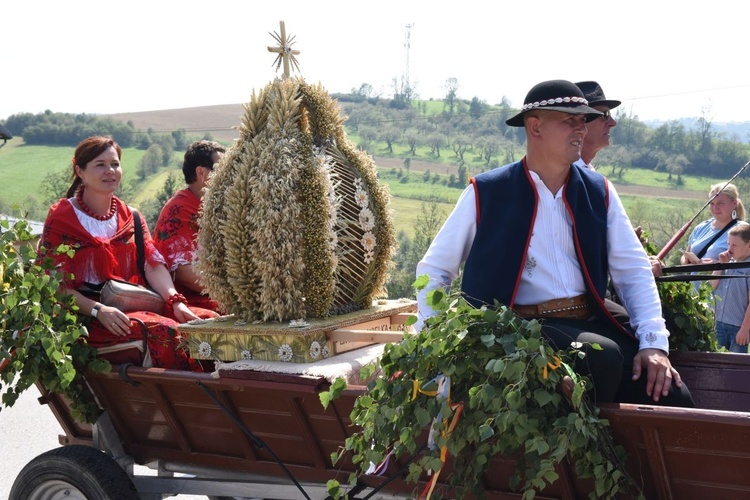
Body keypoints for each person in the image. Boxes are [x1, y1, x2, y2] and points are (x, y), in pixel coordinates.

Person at [416, 79, 694, 407]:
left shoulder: (598, 190)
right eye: (569, 120)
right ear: (535, 127)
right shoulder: (487, 191)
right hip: (518, 329)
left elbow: (632, 270)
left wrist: (653, 345)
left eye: (583, 120)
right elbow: (435, 269)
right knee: (601, 356)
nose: (580, 129)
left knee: (673, 395)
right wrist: (432, 343)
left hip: (588, 317)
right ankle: (590, 457)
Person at [38, 136, 211, 370]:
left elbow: (153, 265)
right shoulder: (62, 218)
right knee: (165, 332)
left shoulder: (131, 217)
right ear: (80, 170)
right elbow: (53, 284)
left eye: (115, 164)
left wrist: (176, 301)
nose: (110, 171)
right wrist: (99, 310)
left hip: (134, 305)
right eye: (100, 164)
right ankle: (185, 400)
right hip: (87, 319)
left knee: (209, 323)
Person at [154, 140, 225, 311]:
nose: (231, 176)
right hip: (187, 300)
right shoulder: (178, 212)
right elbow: (185, 274)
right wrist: (237, 292)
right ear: (201, 173)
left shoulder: (216, 205)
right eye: (223, 170)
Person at [682, 183, 745, 265]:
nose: (715, 208)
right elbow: (686, 255)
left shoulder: (743, 230)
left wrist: (717, 265)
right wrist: (687, 261)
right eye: (712, 203)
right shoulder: (701, 227)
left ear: (734, 203)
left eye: (720, 203)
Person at [711, 222, 750, 353]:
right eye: (728, 244)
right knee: (717, 362)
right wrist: (720, 266)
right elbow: (713, 285)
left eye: (734, 245)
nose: (729, 249)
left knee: (735, 365)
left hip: (738, 327)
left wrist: (745, 329)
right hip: (719, 323)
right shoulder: (729, 263)